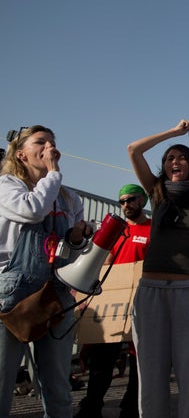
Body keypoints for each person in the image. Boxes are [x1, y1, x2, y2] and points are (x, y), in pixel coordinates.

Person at [0, 125, 92, 418]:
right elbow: (32, 210)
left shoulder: (69, 199)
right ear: (21, 153)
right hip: (13, 292)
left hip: (56, 291)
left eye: (52, 142)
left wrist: (77, 239)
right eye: (40, 142)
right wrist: (52, 174)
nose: (49, 147)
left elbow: (74, 254)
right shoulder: (7, 186)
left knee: (57, 385)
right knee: (2, 380)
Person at [127, 120, 189, 418]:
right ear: (164, 167)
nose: (176, 161)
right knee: (150, 377)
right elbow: (134, 150)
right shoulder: (155, 191)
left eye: (182, 157)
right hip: (150, 293)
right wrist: (173, 134)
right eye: (170, 158)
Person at [75, 184, 151, 418]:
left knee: (139, 359)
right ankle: (92, 406)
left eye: (131, 199)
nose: (126, 205)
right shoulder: (116, 230)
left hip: (141, 299)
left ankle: (130, 409)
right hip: (115, 299)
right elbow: (103, 260)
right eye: (122, 201)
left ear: (142, 201)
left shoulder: (153, 230)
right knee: (102, 356)